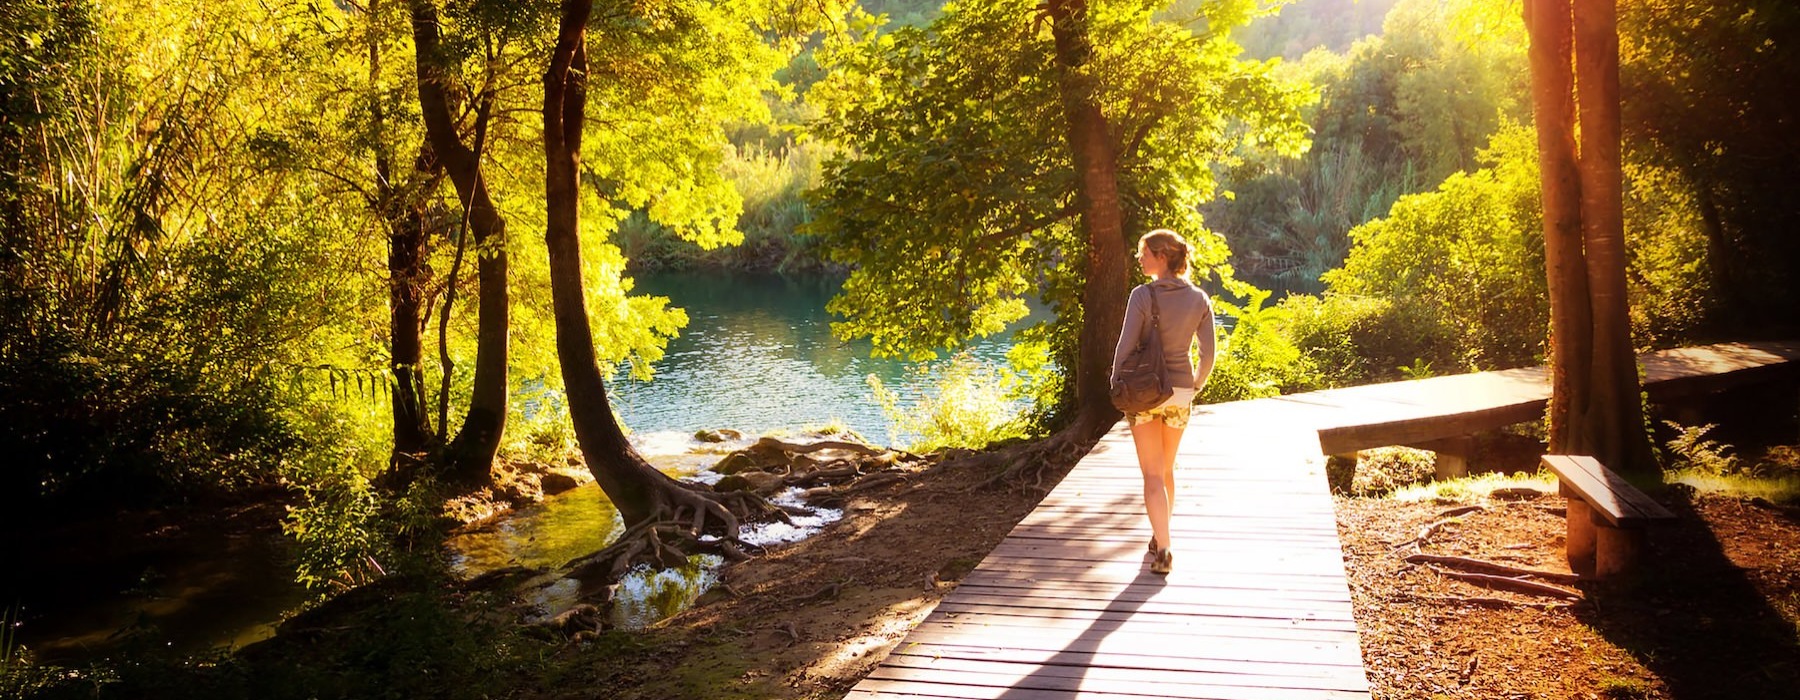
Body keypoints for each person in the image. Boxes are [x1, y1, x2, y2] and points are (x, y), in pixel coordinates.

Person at [1111, 228, 1216, 575]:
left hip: (1144, 393)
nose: (1139, 258)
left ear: (1161, 256)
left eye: (1144, 253)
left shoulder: (1142, 296)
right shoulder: (1199, 298)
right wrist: (1195, 384)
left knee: (1152, 475)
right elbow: (1208, 353)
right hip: (1180, 393)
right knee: (1166, 470)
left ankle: (1165, 548)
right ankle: (1160, 537)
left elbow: (1125, 347)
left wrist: (1116, 382)